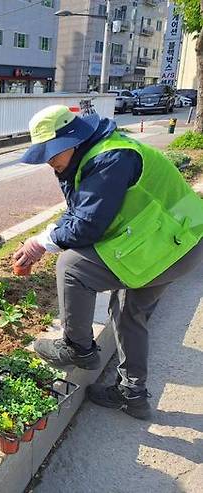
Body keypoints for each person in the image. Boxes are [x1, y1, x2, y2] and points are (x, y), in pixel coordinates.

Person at [14, 105, 203, 419]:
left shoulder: (110, 159)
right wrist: (46, 235)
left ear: (71, 142)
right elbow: (83, 209)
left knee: (73, 267)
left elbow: (88, 226)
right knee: (129, 312)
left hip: (168, 244)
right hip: (176, 242)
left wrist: (39, 245)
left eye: (52, 154)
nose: (50, 162)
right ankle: (134, 396)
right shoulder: (95, 154)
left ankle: (77, 348)